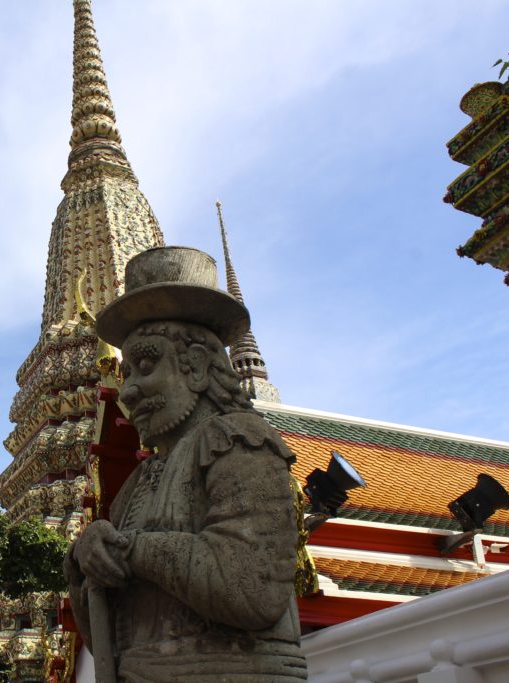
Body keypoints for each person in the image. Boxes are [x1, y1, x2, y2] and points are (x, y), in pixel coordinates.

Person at [64, 246, 307, 682]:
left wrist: (131, 549)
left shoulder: (239, 442)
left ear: (196, 367)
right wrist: (88, 558)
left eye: (145, 366)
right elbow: (108, 636)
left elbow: (251, 592)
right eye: (126, 375)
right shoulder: (142, 479)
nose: (130, 391)